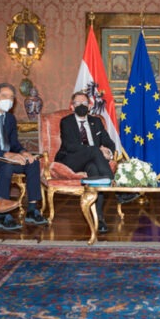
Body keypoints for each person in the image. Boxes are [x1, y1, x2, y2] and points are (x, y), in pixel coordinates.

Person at [0, 83, 47, 231]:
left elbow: (14, 143)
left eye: (11, 97)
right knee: (7, 166)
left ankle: (32, 210)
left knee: (33, 163)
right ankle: (2, 216)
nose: (8, 100)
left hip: (7, 158)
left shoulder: (10, 118)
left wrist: (23, 152)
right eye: (4, 96)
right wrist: (6, 154)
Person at [55, 91, 117, 234]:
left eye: (84, 103)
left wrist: (108, 151)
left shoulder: (96, 122)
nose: (81, 106)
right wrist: (97, 149)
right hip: (71, 160)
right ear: (72, 106)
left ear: (89, 106)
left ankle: (98, 218)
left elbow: (109, 142)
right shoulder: (66, 122)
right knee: (95, 151)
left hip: (91, 160)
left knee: (95, 171)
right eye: (77, 103)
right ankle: (115, 187)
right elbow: (70, 146)